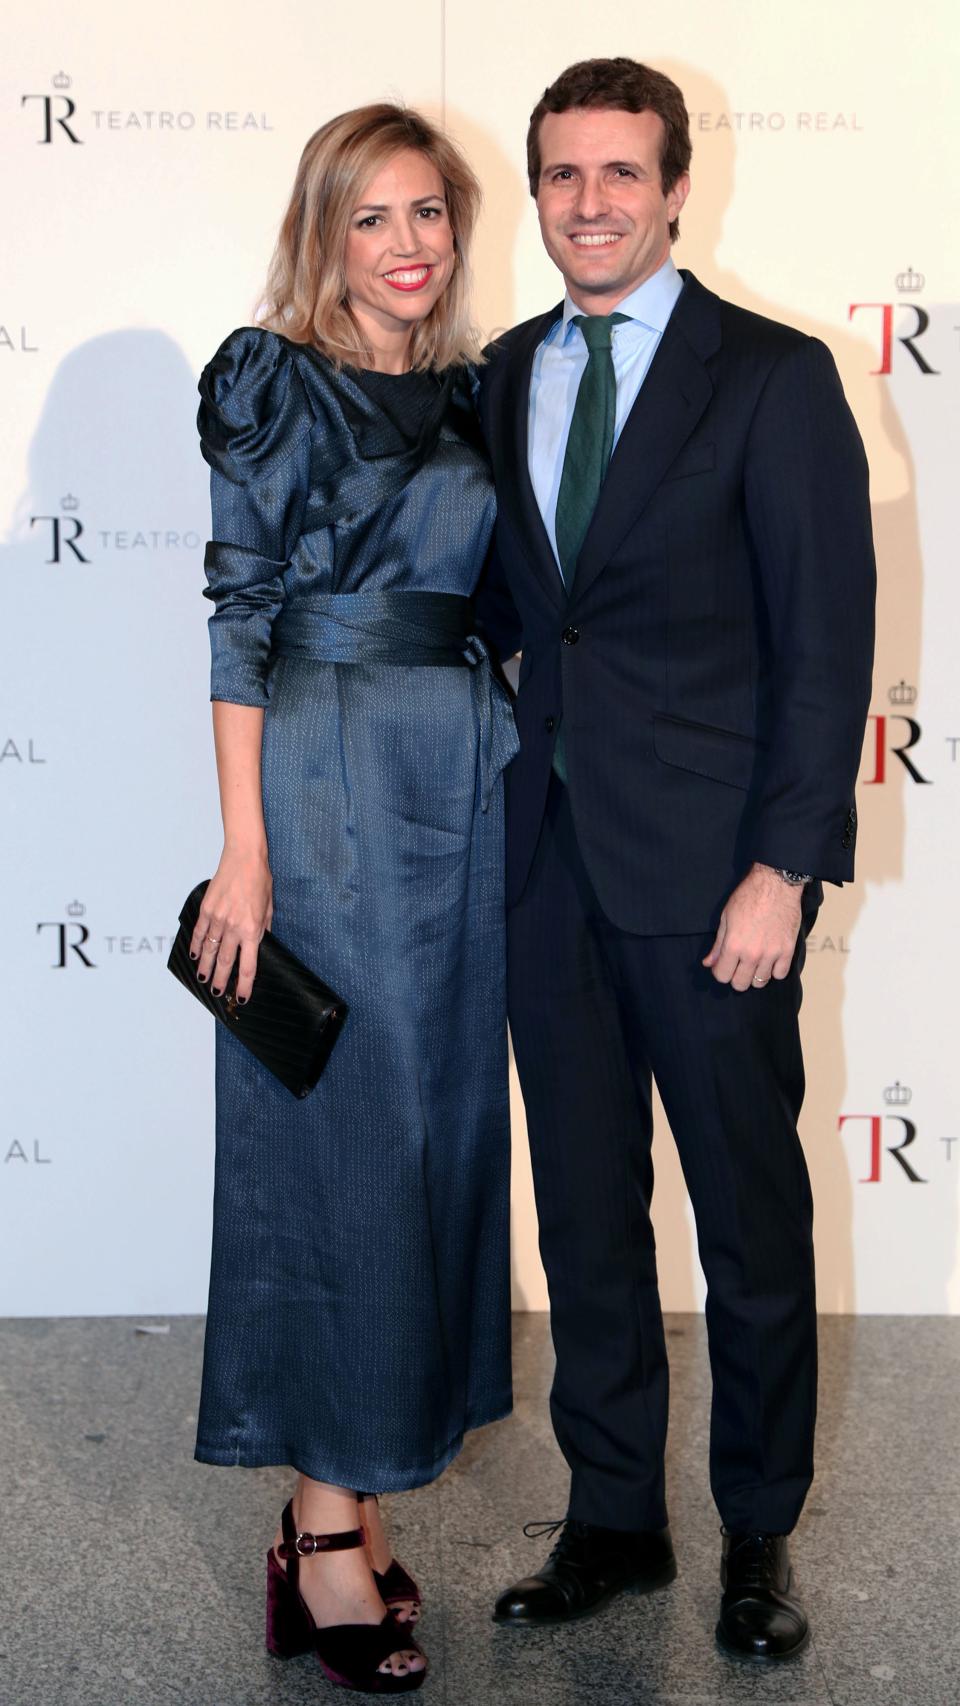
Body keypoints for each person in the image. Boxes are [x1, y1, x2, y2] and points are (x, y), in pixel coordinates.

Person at [476, 57, 875, 1663]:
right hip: (549, 868)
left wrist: (783, 868)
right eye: (564, 176)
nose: (591, 203)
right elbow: (521, 608)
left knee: (751, 1220)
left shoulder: (772, 377)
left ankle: (759, 1532)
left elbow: (824, 644)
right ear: (540, 190)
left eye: (619, 175)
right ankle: (617, 1514)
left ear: (674, 188)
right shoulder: (506, 371)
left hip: (718, 884)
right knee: (582, 1212)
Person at [190, 102, 517, 1694]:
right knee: (336, 1136)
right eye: (374, 217)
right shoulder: (272, 383)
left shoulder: (470, 389)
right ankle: (325, 1528)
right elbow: (237, 618)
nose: (410, 245)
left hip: (461, 786)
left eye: (429, 215)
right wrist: (243, 844)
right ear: (324, 232)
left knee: (433, 1134)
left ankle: (357, 1495)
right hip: (319, 787)